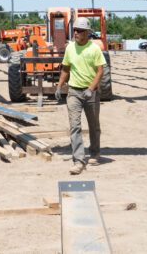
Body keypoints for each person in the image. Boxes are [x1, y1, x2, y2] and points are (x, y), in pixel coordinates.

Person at [56, 17, 105, 175]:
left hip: (90, 93)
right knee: (75, 126)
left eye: (79, 31)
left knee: (93, 125)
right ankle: (78, 159)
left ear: (87, 32)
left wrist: (91, 88)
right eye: (75, 30)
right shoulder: (70, 48)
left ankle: (95, 153)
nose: (76, 33)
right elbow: (65, 68)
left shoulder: (95, 49)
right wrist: (59, 86)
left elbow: (100, 71)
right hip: (74, 92)